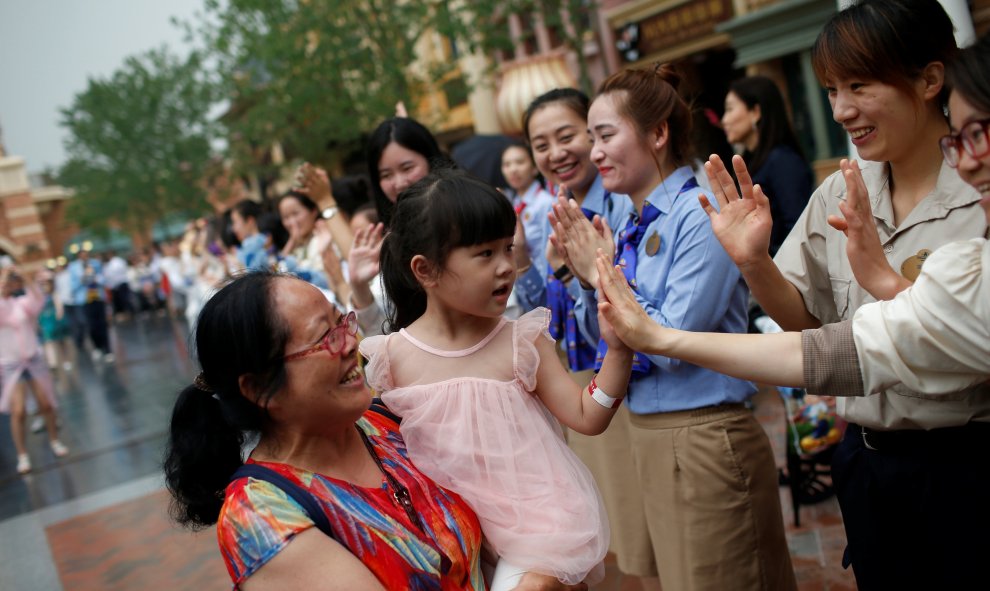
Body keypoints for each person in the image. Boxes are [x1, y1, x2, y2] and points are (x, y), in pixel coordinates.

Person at [696, 1, 988, 587]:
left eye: (860, 85)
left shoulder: (979, 189)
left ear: (930, 79)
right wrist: (754, 262)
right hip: (869, 461)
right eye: (831, 90)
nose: (842, 110)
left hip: (968, 464)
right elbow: (808, 327)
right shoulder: (839, 195)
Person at [164, 270, 588, 590]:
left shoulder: (386, 423)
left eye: (342, 322)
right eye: (324, 337)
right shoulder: (263, 517)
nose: (350, 343)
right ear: (259, 388)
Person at [551, 65, 796, 590]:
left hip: (705, 433)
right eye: (592, 137)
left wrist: (604, 276)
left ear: (658, 134)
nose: (594, 152)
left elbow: (670, 343)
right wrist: (585, 280)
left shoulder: (699, 213)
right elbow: (607, 345)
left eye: (606, 135)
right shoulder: (628, 221)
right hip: (650, 434)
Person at [360, 169, 634, 590]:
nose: (507, 266)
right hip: (449, 540)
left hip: (538, 529)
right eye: (485, 254)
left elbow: (586, 415)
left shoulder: (520, 341)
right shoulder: (390, 359)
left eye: (508, 247)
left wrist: (618, 352)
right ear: (426, 270)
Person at [519, 88, 655, 589]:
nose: (556, 153)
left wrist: (584, 273)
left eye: (567, 135)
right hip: (583, 380)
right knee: (627, 535)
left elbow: (630, 307)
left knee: (647, 536)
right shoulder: (551, 212)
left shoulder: (620, 205)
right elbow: (541, 308)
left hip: (631, 386)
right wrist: (540, 263)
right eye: (540, 144)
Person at [722, 76, 813, 255]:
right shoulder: (748, 162)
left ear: (755, 112)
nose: (724, 120)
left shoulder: (783, 161)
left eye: (730, 109)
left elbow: (798, 228)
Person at [0, 266, 70, 475]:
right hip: (11, 364)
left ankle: (55, 441)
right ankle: (22, 454)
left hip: (33, 359)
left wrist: (24, 276)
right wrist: (3, 277)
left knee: (46, 403)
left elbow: (37, 299)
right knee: (19, 411)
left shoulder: (21, 304)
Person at [500, 142, 554, 315]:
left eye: (519, 162)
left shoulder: (546, 203)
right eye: (507, 164)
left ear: (534, 167)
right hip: (523, 288)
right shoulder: (514, 204)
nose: (513, 169)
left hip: (546, 289)